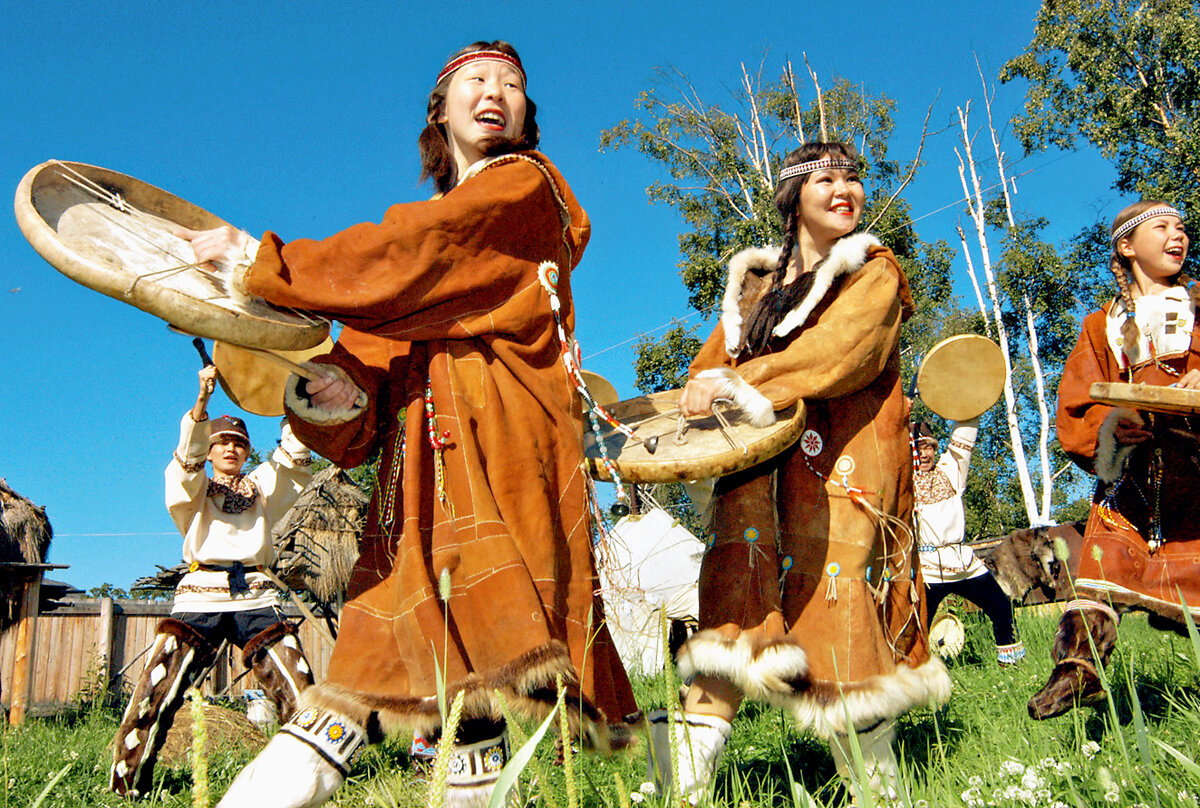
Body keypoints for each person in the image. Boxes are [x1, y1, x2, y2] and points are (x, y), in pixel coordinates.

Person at [187, 41, 637, 808]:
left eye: (512, 84)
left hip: (502, 448)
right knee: (449, 666)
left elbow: (416, 254)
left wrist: (264, 264)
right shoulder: (425, 256)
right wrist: (337, 390)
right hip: (422, 472)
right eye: (476, 82)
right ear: (440, 111)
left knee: (421, 655)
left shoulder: (524, 189)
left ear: (528, 111)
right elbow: (373, 346)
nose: (495, 93)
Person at [660, 142, 951, 803]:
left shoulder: (873, 271)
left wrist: (742, 379)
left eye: (853, 177)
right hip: (756, 484)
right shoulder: (753, 289)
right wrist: (695, 404)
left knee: (839, 615)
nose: (845, 187)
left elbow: (845, 350)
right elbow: (703, 376)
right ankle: (679, 793)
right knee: (732, 622)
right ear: (793, 196)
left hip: (840, 473)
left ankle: (881, 795)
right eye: (826, 178)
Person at [1028, 201, 1200, 719]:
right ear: (1127, 246)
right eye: (1163, 227)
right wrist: (1110, 427)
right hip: (1132, 478)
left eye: (1183, 227)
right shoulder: (1103, 324)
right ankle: (1079, 672)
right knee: (1101, 572)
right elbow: (1078, 400)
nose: (1179, 235)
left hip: (1194, 472)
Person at [110, 365, 314, 797]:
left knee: (299, 688)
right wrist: (202, 402)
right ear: (210, 448)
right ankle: (127, 787)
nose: (232, 449)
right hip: (201, 595)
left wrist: (292, 396)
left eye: (240, 443)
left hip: (255, 596)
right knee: (156, 690)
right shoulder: (194, 489)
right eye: (223, 442)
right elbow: (185, 462)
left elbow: (292, 460)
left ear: (246, 452)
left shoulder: (261, 486)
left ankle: (313, 780)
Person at [912, 418, 1025, 665]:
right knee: (918, 629)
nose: (924, 454)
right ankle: (917, 681)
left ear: (935, 448)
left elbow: (965, 434)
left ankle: (1011, 666)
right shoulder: (903, 482)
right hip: (928, 569)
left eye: (928, 447)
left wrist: (971, 398)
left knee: (1002, 608)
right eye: (917, 449)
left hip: (963, 562)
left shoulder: (952, 470)